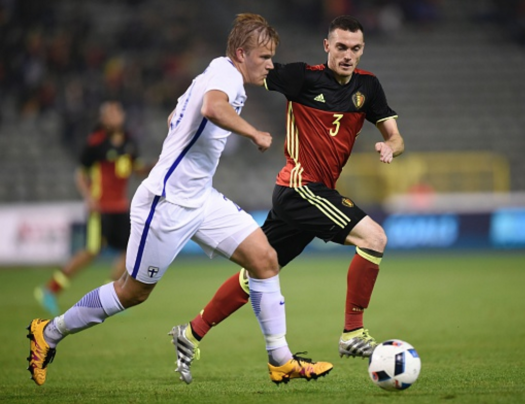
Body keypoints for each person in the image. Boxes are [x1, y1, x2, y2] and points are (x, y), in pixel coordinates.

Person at [26, 13, 333, 387]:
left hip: (201, 199)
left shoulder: (215, 71)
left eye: (271, 57)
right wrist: (254, 132)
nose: (271, 65)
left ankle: (280, 360)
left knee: (265, 259)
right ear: (241, 53)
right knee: (132, 291)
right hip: (166, 203)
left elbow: (181, 109)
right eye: (264, 57)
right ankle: (49, 333)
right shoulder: (227, 77)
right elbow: (210, 108)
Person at [170, 15, 404, 384]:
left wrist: (389, 146)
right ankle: (353, 333)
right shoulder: (302, 77)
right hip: (301, 187)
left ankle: (190, 332)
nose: (347, 55)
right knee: (374, 238)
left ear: (362, 50)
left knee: (258, 273)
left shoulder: (368, 88)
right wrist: (194, 100)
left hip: (304, 194)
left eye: (355, 48)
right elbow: (245, 69)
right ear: (327, 46)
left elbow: (396, 136)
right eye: (340, 47)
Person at [34, 101, 147, 316]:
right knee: (91, 251)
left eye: (116, 112)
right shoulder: (96, 143)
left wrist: (157, 165)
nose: (114, 117)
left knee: (130, 249)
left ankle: (113, 293)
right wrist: (88, 197)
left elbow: (137, 168)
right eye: (109, 114)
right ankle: (50, 289)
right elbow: (80, 174)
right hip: (100, 207)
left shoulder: (130, 141)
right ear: (103, 119)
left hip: (121, 207)